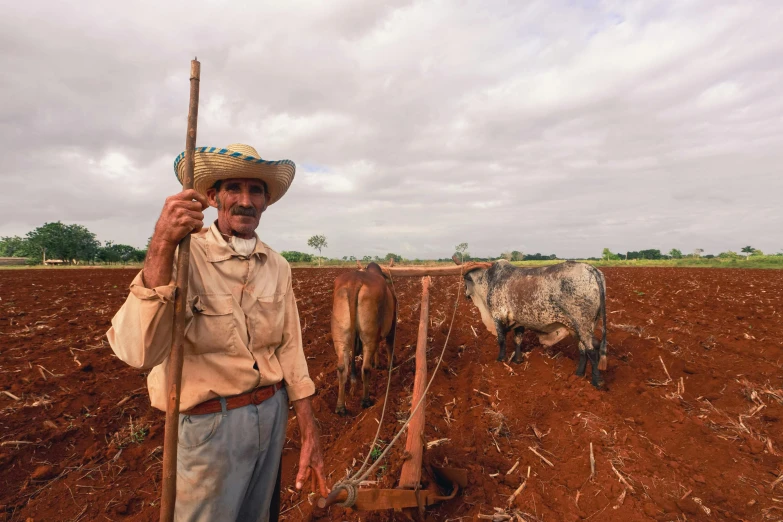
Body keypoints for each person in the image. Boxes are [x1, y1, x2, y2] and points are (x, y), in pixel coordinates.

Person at [106, 143, 329, 521]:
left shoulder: (278, 266)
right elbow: (138, 353)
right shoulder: (182, 256)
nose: (245, 201)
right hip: (209, 425)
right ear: (212, 197)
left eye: (255, 190)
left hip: (272, 415)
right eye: (234, 190)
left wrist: (309, 430)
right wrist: (162, 240)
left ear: (266, 201)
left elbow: (290, 350)